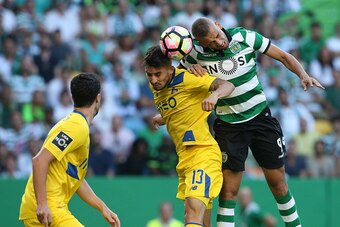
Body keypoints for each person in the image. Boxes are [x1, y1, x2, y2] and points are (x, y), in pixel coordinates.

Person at [179, 17, 324, 227]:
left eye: (218, 36)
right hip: (228, 126)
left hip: (260, 119)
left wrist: (303, 74)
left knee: (278, 184)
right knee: (228, 192)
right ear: (202, 43)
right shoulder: (194, 54)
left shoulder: (244, 36)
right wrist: (190, 72)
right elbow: (178, 79)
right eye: (211, 42)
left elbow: (283, 56)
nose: (218, 43)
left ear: (219, 25)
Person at [144, 45, 235, 227]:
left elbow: (228, 85)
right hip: (184, 159)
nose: (153, 80)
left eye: (158, 74)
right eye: (149, 74)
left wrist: (215, 95)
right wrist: (164, 118)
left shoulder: (188, 79)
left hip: (203, 153)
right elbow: (180, 104)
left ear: (170, 70)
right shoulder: (158, 86)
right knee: (202, 221)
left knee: (191, 213)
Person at [19, 73, 120, 227]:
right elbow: (39, 160)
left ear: (73, 98)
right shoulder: (76, 126)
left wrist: (102, 208)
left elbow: (76, 178)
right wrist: (42, 204)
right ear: (98, 98)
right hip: (48, 209)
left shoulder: (75, 125)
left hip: (45, 209)